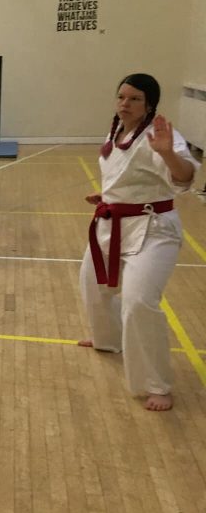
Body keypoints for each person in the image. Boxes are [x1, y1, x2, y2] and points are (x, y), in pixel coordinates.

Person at [79, 73, 198, 412]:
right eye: (121, 97)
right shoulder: (116, 130)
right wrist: (109, 196)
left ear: (149, 105)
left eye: (134, 99)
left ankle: (156, 384)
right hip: (112, 221)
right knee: (92, 284)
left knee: (139, 301)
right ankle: (107, 340)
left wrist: (168, 153)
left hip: (154, 229)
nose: (125, 104)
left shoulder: (160, 135)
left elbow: (184, 177)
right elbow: (126, 175)